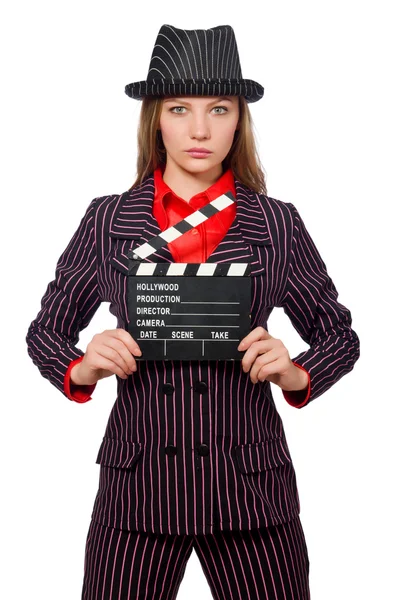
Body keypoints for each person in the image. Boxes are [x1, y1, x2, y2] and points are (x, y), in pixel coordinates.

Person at [26, 24, 360, 600]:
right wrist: (81, 367)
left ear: (240, 119)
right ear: (156, 117)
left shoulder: (276, 223)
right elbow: (45, 331)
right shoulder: (109, 220)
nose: (200, 129)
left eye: (219, 109)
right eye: (180, 109)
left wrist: (296, 371)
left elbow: (339, 335)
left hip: (250, 490)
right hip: (138, 489)